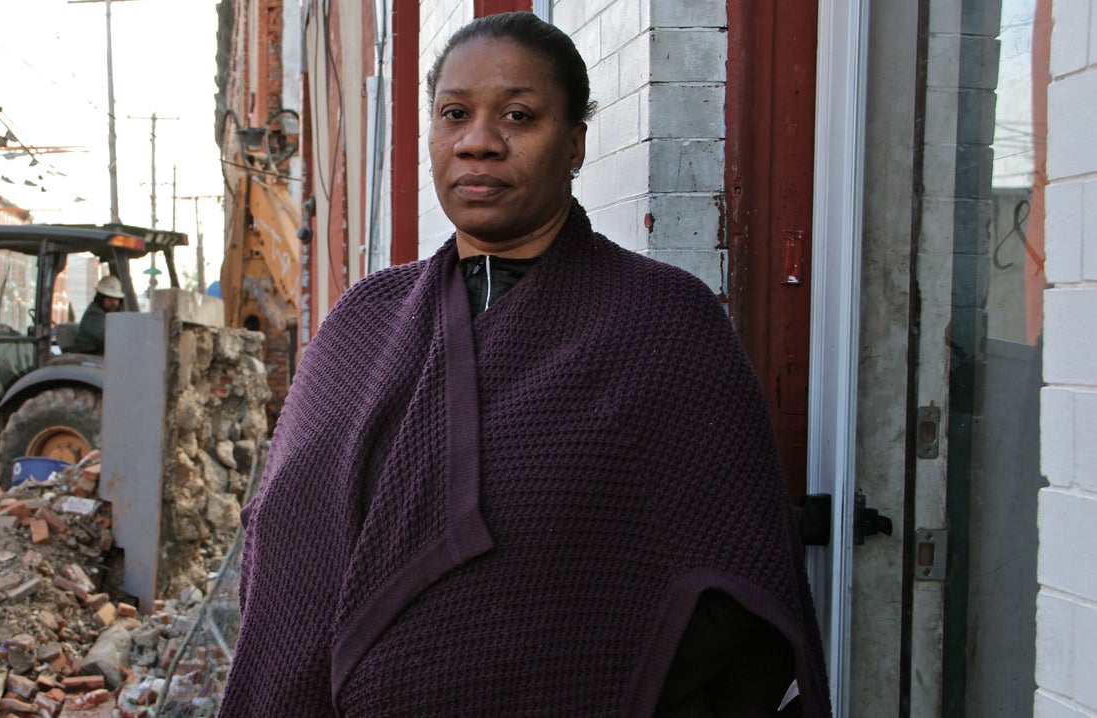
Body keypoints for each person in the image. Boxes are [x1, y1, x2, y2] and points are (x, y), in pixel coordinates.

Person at [220, 12, 830, 718]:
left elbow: (733, 585)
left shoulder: (663, 323)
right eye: (455, 114)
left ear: (573, 144)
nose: (478, 142)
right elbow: (283, 545)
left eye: (518, 115)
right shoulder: (363, 321)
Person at [69, 275, 125, 355]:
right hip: (89, 355)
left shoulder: (108, 314)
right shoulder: (94, 314)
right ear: (101, 299)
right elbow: (107, 338)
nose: (114, 303)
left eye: (116, 299)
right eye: (110, 299)